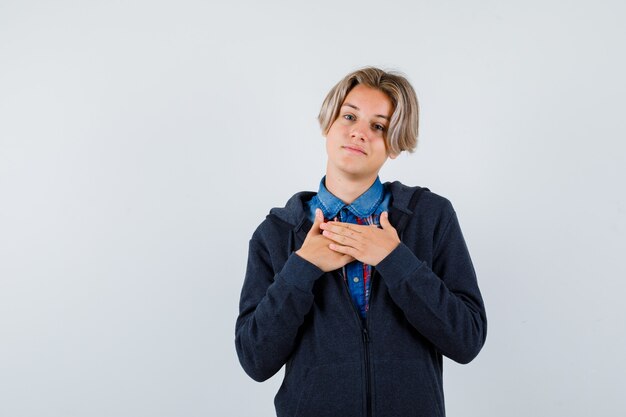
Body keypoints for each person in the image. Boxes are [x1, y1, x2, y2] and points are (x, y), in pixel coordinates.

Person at [235, 67, 487, 417]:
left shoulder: (431, 217)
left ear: (395, 143)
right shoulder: (277, 233)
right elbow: (255, 360)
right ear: (328, 124)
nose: (359, 133)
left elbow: (466, 340)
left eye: (378, 126)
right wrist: (302, 268)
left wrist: (396, 259)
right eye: (349, 116)